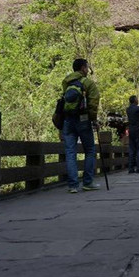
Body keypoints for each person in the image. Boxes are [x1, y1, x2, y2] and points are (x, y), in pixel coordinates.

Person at [60, 58, 100, 193]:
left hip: (68, 119)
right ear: (83, 68)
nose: (88, 70)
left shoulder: (66, 82)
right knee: (89, 150)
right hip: (83, 119)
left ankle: (73, 186)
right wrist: (94, 120)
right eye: (87, 67)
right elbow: (93, 104)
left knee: (70, 152)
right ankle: (87, 182)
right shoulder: (88, 83)